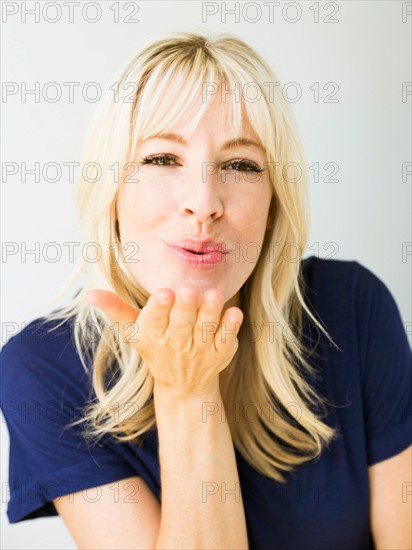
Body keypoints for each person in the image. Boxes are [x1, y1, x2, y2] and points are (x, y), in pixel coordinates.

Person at [0, 31, 411, 550]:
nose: (203, 202)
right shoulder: (43, 368)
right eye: (162, 159)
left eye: (240, 165)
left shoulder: (351, 307)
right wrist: (187, 391)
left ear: (273, 205)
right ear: (111, 189)